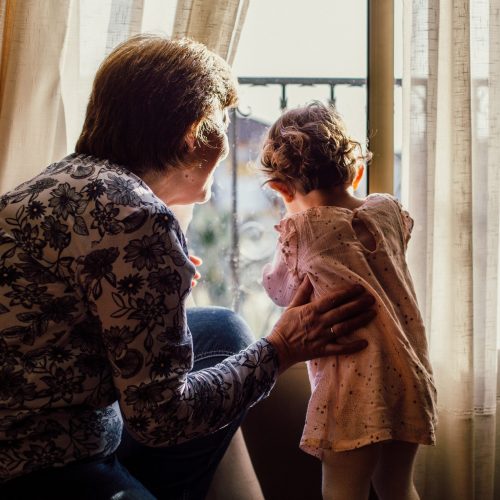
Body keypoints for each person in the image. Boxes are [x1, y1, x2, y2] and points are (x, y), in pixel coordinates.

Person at [0, 36, 376, 500]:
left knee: (222, 328)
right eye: (221, 122)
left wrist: (155, 289)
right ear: (195, 133)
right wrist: (281, 348)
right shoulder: (138, 217)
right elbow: (161, 417)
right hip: (41, 461)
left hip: (35, 416)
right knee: (242, 347)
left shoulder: (62, 179)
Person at [260, 102, 437, 500]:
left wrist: (286, 242)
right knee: (397, 486)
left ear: (280, 189)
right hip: (408, 373)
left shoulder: (301, 229)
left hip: (353, 389)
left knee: (343, 491)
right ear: (356, 171)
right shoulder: (387, 210)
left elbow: (281, 291)